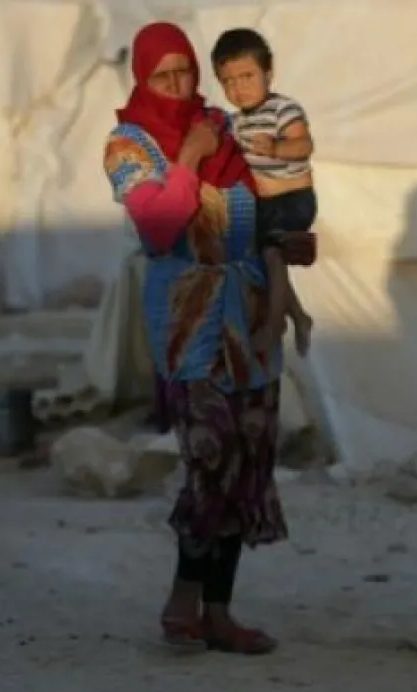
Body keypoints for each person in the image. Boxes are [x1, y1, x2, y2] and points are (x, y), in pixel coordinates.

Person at [104, 21, 291, 655]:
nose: (178, 83)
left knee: (248, 457)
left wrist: (284, 293)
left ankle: (217, 610)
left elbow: (266, 215)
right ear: (142, 78)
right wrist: (186, 157)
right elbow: (158, 227)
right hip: (190, 323)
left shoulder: (228, 125)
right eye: (164, 75)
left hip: (251, 317)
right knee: (210, 455)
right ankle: (185, 597)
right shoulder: (128, 146)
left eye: (185, 70)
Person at [210, 27, 316, 356]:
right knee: (264, 260)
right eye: (228, 81)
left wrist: (276, 148)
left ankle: (274, 327)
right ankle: (298, 315)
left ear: (268, 74)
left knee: (272, 253)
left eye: (247, 76)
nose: (238, 88)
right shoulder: (235, 121)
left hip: (291, 200)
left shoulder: (283, 110)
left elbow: (304, 144)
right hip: (261, 205)